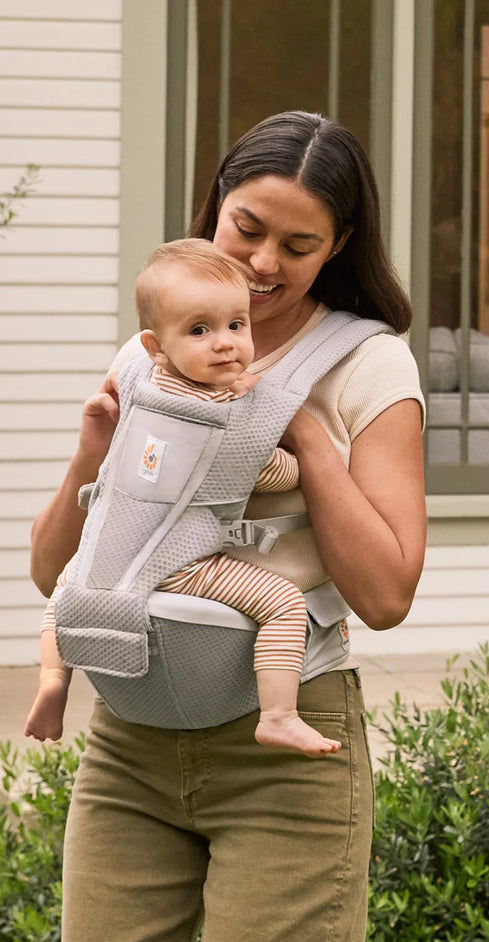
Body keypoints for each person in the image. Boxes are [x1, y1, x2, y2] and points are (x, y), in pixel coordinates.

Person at [30, 111, 426, 942]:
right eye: (246, 227)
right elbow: (53, 571)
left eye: (298, 244)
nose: (261, 264)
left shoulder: (368, 364)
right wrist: (90, 457)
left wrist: (306, 438)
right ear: (215, 205)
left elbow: (386, 593)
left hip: (282, 753)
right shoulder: (150, 352)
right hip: (130, 742)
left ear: (339, 246)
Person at [25, 238, 343, 758]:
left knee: (67, 593)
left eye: (236, 325)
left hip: (112, 548)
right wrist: (292, 453)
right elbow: (276, 475)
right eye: (200, 330)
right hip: (181, 561)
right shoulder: (226, 417)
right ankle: (279, 715)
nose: (225, 344)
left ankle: (53, 683)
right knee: (285, 604)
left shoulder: (140, 385)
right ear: (156, 345)